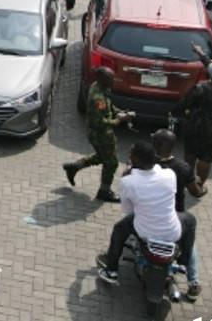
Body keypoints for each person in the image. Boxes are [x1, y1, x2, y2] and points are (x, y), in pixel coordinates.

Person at [96, 141, 196, 290]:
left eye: (130, 155)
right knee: (191, 220)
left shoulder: (128, 181)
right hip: (171, 231)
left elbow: (128, 210)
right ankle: (183, 263)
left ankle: (112, 270)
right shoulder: (169, 175)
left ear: (135, 160)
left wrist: (127, 175)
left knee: (118, 230)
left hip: (144, 232)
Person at [63, 67, 133, 202]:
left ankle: (74, 167)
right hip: (100, 135)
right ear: (103, 80)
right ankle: (104, 191)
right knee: (111, 163)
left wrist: (119, 111)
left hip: (101, 133)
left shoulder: (101, 87)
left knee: (103, 157)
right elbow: (100, 122)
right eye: (111, 79)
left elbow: (110, 106)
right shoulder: (97, 99)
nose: (114, 81)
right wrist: (119, 120)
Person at [152, 129, 204, 301]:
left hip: (151, 215)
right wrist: (202, 188)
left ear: (157, 145)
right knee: (189, 242)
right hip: (176, 217)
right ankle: (193, 282)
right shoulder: (183, 167)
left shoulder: (147, 163)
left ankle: (111, 259)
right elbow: (196, 192)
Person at [172, 44, 212, 191]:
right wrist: (200, 53)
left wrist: (175, 112)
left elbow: (184, 104)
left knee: (190, 154)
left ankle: (188, 180)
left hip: (195, 124)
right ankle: (200, 184)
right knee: (206, 158)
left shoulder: (200, 89)